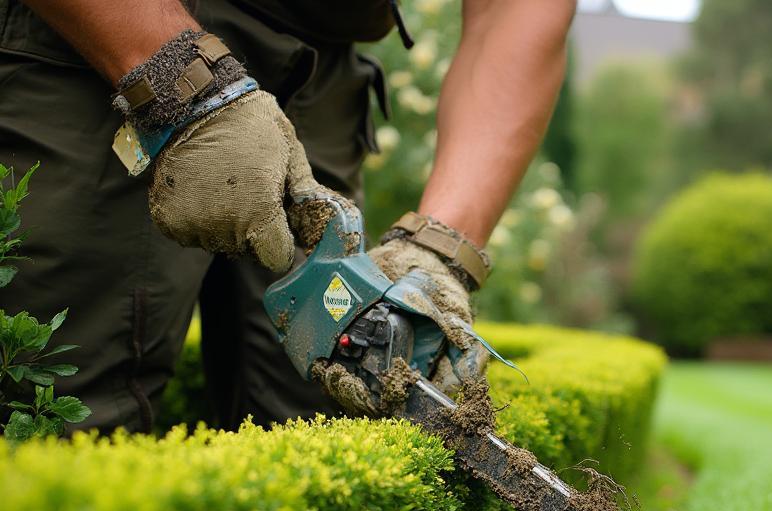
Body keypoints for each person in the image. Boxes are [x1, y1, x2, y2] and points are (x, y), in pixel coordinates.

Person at [0, 0, 575, 430]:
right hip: (108, 39)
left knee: (323, 424)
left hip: (322, 64)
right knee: (62, 411)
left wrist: (439, 248)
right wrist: (184, 81)